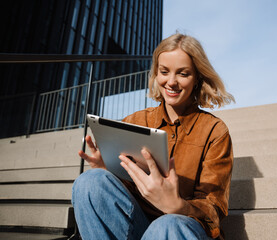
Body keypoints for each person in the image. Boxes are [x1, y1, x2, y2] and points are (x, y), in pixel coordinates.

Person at [72, 33, 235, 240]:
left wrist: (179, 206)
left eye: (183, 74)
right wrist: (108, 169)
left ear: (197, 78)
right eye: (164, 71)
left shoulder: (215, 131)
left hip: (179, 227)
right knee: (90, 181)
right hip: (135, 226)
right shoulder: (135, 120)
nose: (171, 82)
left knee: (167, 224)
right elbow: (122, 194)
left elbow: (214, 208)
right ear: (156, 74)